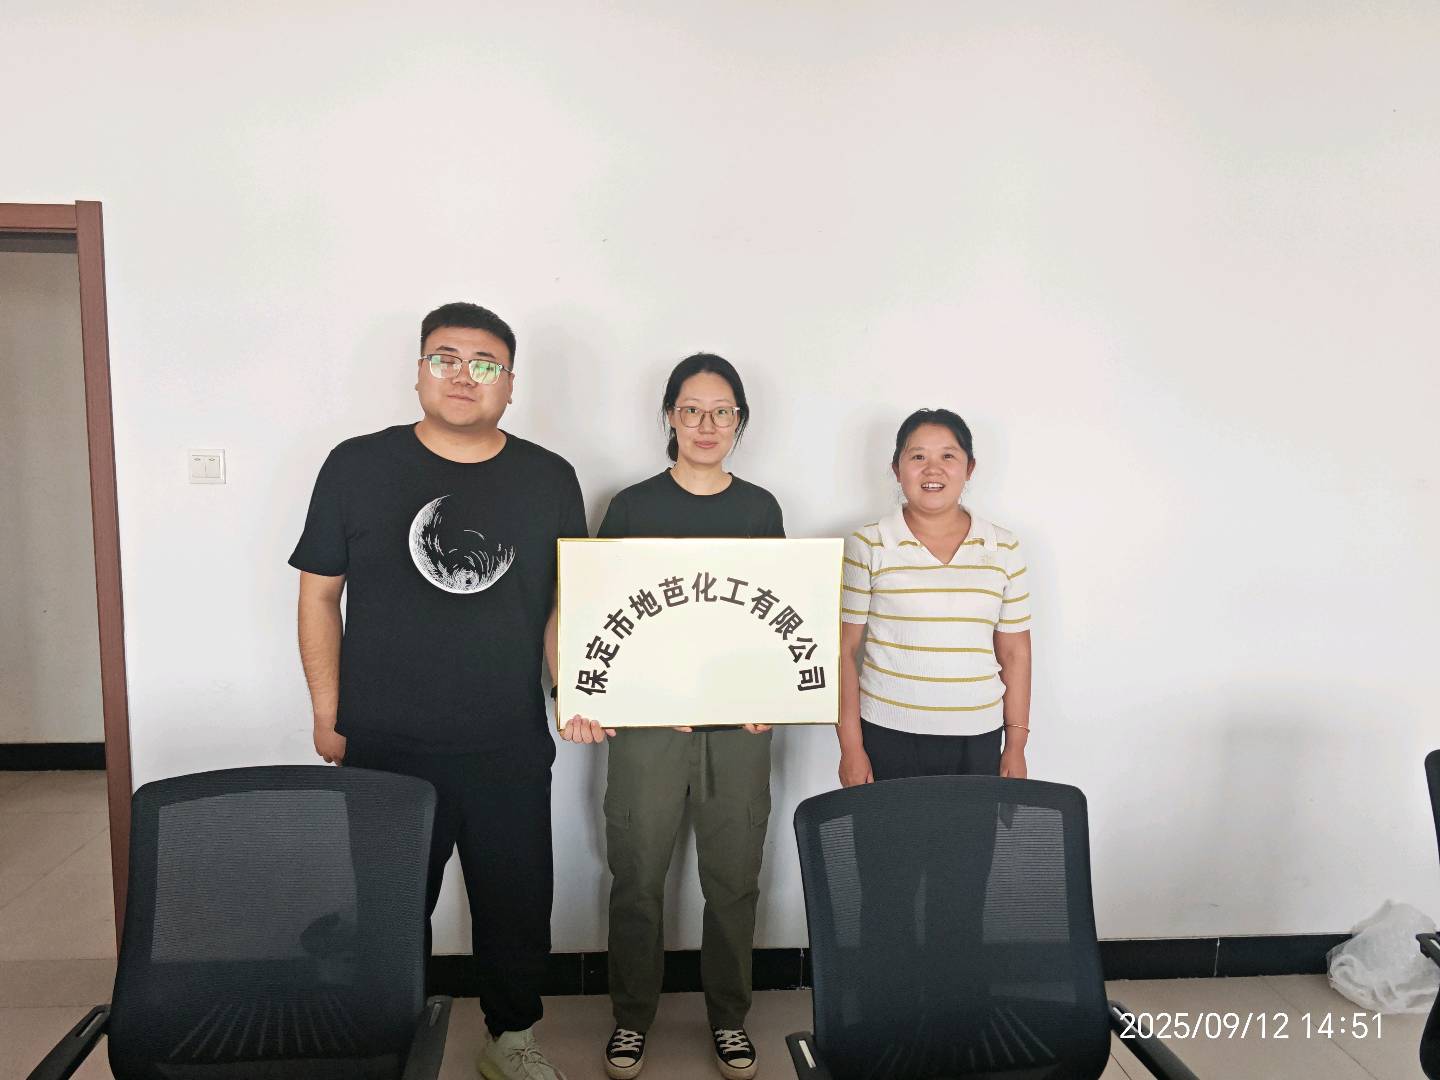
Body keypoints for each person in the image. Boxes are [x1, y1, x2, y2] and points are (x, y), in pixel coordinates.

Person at [290, 302, 585, 1080]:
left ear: (510, 384)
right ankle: (386, 1041)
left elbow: (566, 606)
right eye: (445, 357)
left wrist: (575, 694)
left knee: (516, 906)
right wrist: (328, 711)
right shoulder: (356, 466)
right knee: (387, 909)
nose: (464, 375)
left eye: (485, 363)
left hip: (507, 740)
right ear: (419, 371)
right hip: (384, 740)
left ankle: (510, 1041)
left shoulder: (549, 478)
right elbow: (319, 595)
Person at [561, 353, 783, 1080]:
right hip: (646, 731)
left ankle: (729, 1019)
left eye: (722, 411)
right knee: (636, 876)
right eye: (692, 409)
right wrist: (581, 696)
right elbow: (594, 611)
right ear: (669, 416)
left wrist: (774, 695)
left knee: (734, 881)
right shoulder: (630, 507)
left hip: (737, 734)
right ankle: (632, 1018)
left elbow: (777, 618)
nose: (706, 424)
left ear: (740, 421)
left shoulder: (760, 510)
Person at [837, 407, 1031, 785]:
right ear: (897, 468)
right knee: (890, 827)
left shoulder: (1003, 547)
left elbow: (1015, 653)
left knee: (971, 827)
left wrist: (1016, 745)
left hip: (978, 735)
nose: (932, 470)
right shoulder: (868, 544)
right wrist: (851, 748)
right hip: (886, 733)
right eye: (918, 457)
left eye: (948, 456)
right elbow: (842, 651)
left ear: (969, 468)